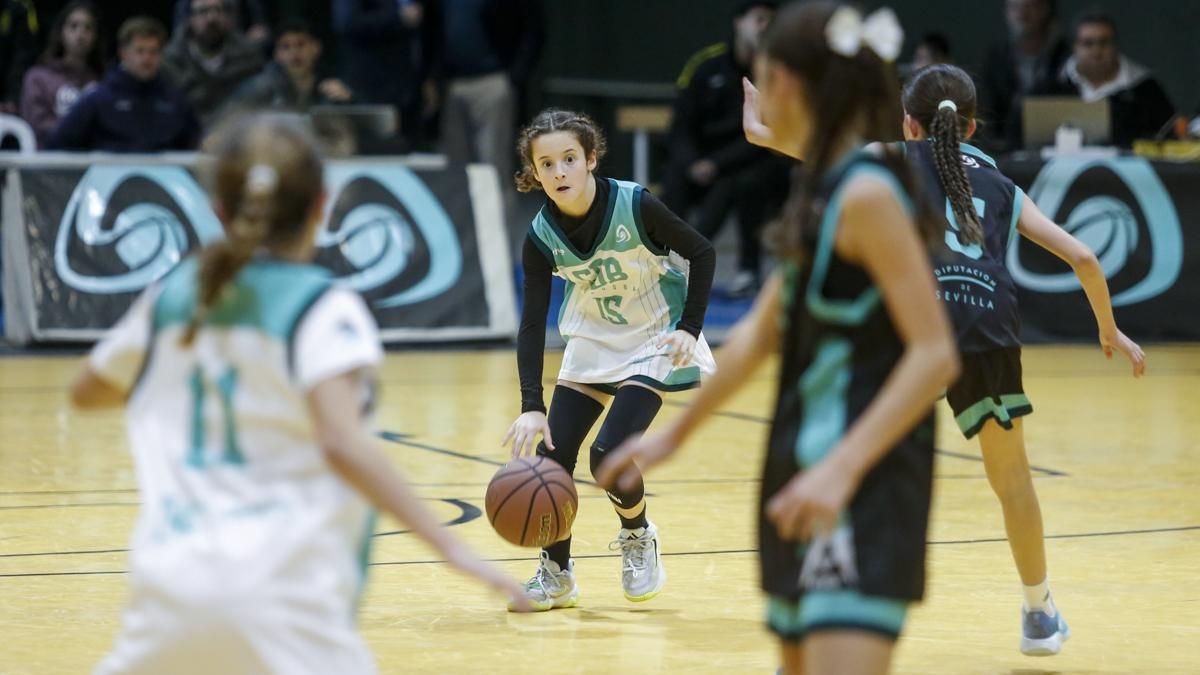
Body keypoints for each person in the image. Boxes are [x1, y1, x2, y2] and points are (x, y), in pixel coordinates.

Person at [70, 113, 527, 674]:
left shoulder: (173, 295)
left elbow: (86, 391)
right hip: (286, 599)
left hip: (170, 590)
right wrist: (454, 550)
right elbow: (341, 441)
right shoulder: (322, 307)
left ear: (218, 211)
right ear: (323, 205)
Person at [598, 4, 961, 674]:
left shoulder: (868, 196)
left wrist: (842, 468)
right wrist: (672, 437)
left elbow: (936, 351)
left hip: (861, 477)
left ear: (788, 85)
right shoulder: (823, 187)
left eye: (762, 75)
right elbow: (760, 335)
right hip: (799, 464)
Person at [898, 63, 1146, 655]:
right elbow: (1085, 258)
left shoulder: (891, 158)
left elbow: (810, 145)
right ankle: (1038, 615)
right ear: (974, 127)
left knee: (859, 475)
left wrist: (763, 125)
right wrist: (1110, 332)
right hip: (988, 325)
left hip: (919, 326)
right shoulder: (1002, 184)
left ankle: (817, 640)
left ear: (908, 124)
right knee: (1012, 480)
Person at [502, 108, 716, 612]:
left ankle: (638, 534)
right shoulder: (539, 238)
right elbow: (532, 324)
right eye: (547, 164)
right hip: (595, 339)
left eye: (569, 159)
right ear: (535, 174)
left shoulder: (636, 204)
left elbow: (702, 252)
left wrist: (689, 328)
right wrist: (531, 403)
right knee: (551, 458)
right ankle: (556, 574)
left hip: (657, 335)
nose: (559, 173)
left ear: (591, 159)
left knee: (608, 454)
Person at [663, 0, 789, 297]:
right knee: (674, 177)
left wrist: (717, 164)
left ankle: (744, 269)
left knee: (745, 182)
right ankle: (666, 261)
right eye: (759, 19)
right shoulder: (706, 66)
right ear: (739, 22)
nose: (765, 28)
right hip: (700, 159)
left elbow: (771, 136)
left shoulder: (778, 73)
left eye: (772, 22)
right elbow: (680, 124)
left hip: (744, 162)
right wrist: (693, 162)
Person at [46, 16, 200, 152]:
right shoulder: (98, 100)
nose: (147, 59)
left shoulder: (176, 102)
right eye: (140, 51)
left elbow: (195, 146)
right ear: (123, 53)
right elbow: (58, 145)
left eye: (153, 52)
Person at [1052, 12, 1174, 147]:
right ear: (1075, 47)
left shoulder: (1146, 89)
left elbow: (1168, 138)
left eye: (1104, 42)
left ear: (1116, 45)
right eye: (1088, 43)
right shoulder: (1053, 85)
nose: (1096, 51)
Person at [979, 0, 1070, 150]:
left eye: (1029, 6)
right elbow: (986, 111)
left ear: (1045, 9)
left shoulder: (1065, 57)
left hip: (1056, 148)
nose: (1022, 14)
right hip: (1004, 152)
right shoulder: (995, 58)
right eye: (1014, 7)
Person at [161, 0, 265, 126]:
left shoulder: (249, 57)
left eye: (218, 10)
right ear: (189, 19)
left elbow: (259, 103)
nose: (211, 18)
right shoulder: (171, 61)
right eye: (203, 11)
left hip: (239, 133)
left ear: (229, 17)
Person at [19, 1, 104, 146]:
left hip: (94, 160)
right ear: (61, 32)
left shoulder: (103, 80)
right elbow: (37, 124)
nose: (81, 33)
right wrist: (78, 131)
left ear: (96, 36)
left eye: (88, 28)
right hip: (51, 159)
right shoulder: (38, 77)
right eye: (73, 26)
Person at [225, 17, 351, 112]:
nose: (294, 53)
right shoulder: (258, 89)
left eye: (300, 44)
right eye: (285, 47)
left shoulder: (334, 86)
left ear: (316, 48)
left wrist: (349, 101)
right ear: (276, 54)